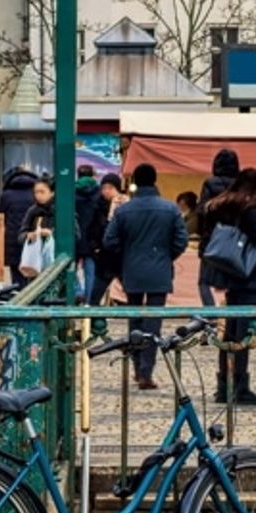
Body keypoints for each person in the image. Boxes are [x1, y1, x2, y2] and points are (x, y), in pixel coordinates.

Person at [104, 164, 191, 390]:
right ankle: (146, 371)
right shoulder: (170, 209)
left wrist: (127, 256)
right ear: (154, 180)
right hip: (159, 270)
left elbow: (110, 241)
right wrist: (166, 255)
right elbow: (181, 240)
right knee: (154, 322)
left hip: (131, 270)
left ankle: (136, 366)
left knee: (134, 320)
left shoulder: (124, 210)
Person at [203, 167, 256, 405]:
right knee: (243, 330)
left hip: (230, 273)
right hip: (248, 274)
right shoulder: (249, 210)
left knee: (230, 329)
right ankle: (239, 386)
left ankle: (224, 385)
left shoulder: (218, 206)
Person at [197, 148, 241, 312]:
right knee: (233, 282)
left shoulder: (210, 183)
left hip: (213, 239)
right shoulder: (241, 184)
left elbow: (202, 212)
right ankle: (229, 315)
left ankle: (211, 313)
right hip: (236, 240)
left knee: (204, 281)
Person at [86, 173, 126, 308]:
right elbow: (92, 231)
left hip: (123, 258)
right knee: (95, 297)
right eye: (103, 188)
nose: (106, 191)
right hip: (104, 259)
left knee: (132, 296)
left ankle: (136, 325)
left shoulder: (127, 207)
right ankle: (92, 324)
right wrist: (95, 250)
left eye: (110, 188)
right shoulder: (97, 207)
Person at [0, 166, 40, 284]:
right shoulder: (36, 194)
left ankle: (18, 295)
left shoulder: (6, 195)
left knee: (16, 273)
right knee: (33, 271)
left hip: (12, 238)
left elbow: (0, 216)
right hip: (33, 237)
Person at [72, 164, 103, 302]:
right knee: (90, 272)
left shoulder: (71, 192)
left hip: (75, 236)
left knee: (69, 268)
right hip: (92, 238)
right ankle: (89, 301)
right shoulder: (98, 192)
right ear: (92, 175)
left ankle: (78, 291)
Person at [19, 178, 56, 278]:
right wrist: (29, 236)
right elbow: (21, 235)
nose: (38, 195)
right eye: (36, 192)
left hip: (54, 261)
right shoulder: (32, 211)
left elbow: (74, 235)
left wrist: (51, 233)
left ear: (52, 192)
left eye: (42, 192)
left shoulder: (60, 209)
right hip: (35, 263)